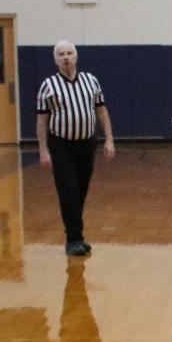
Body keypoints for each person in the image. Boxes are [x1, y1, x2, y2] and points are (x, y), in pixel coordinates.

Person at [35, 40, 116, 257]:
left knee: (80, 191)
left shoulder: (91, 81)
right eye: (61, 54)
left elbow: (102, 112)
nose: (66, 57)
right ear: (55, 59)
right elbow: (42, 121)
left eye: (69, 53)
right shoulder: (48, 85)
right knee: (68, 191)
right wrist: (43, 150)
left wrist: (109, 139)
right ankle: (73, 239)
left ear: (76, 56)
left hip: (87, 143)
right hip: (62, 145)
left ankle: (77, 234)